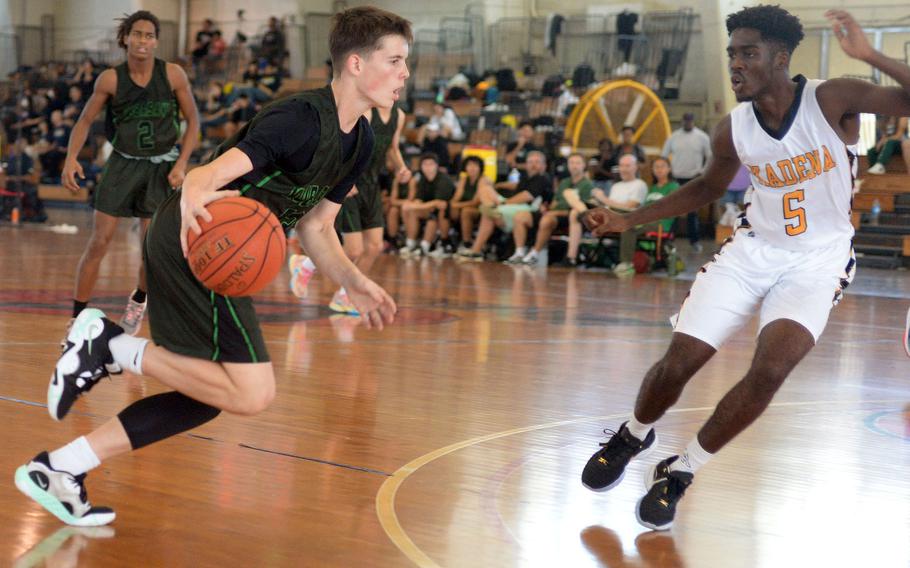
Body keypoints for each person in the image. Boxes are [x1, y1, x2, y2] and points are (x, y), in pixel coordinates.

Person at [15, 6, 409, 527]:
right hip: (192, 243)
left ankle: (60, 469)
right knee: (253, 391)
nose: (406, 73)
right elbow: (204, 177)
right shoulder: (297, 119)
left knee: (206, 394)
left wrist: (356, 281)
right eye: (396, 60)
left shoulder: (358, 141)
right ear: (356, 64)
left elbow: (316, 228)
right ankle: (109, 346)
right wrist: (195, 204)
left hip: (220, 257)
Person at [579, 7, 903, 531]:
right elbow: (709, 187)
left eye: (747, 53)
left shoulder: (833, 98)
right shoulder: (733, 127)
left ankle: (682, 472)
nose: (735, 64)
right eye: (731, 54)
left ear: (780, 58)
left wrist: (868, 55)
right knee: (680, 361)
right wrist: (629, 220)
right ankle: (633, 434)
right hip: (750, 252)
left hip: (818, 261)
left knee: (771, 370)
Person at [60, 11, 199, 339]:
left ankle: (139, 299)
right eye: (137, 34)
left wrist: (181, 164)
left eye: (149, 35)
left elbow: (194, 120)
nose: (143, 41)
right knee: (99, 241)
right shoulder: (110, 79)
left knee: (151, 247)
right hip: (123, 164)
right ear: (125, 38)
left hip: (161, 169)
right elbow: (83, 121)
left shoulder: (173, 75)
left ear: (156, 41)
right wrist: (70, 158)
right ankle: (78, 317)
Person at [288, 102, 410, 312]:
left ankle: (344, 297)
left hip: (372, 187)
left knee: (374, 247)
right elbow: (345, 146)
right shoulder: (366, 113)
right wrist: (344, 177)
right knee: (354, 249)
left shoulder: (399, 116)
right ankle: (306, 265)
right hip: (351, 185)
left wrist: (401, 167)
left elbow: (392, 148)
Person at [520, 152, 594, 265]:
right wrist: (546, 208)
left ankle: (534, 253)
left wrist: (553, 213)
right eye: (572, 163)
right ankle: (519, 251)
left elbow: (582, 209)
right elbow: (555, 201)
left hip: (570, 216)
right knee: (522, 216)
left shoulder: (587, 185)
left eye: (578, 163)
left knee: (547, 220)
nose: (574, 166)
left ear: (584, 165)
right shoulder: (564, 182)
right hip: (554, 213)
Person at [662, 112, 712, 251]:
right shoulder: (673, 137)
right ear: (681, 121)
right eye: (685, 121)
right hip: (676, 177)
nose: (687, 123)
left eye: (689, 121)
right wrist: (668, 172)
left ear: (693, 121)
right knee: (673, 209)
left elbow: (710, 157)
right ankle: (668, 239)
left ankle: (694, 242)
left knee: (692, 211)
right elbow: (664, 156)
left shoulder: (702, 137)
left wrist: (702, 171)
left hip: (694, 178)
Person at [449, 155, 490, 252]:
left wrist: (456, 205)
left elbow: (475, 202)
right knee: (448, 208)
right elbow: (456, 198)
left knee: (465, 211)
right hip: (465, 206)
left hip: (481, 209)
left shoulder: (483, 180)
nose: (472, 168)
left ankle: (467, 242)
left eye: (475, 165)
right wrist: (453, 204)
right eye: (469, 165)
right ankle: (446, 240)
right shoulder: (464, 179)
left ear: (480, 168)